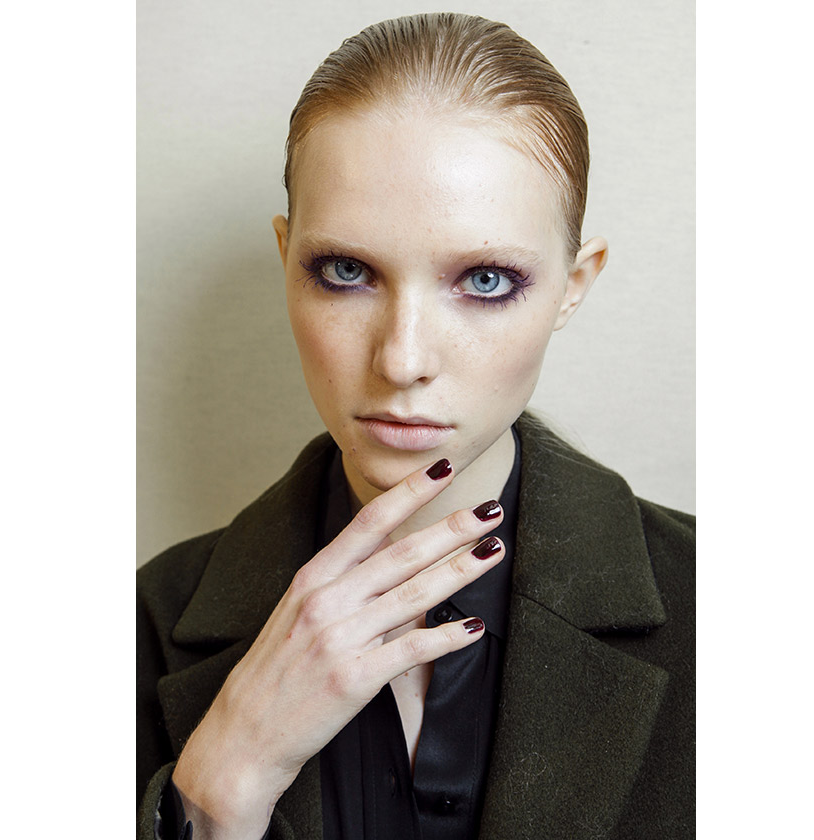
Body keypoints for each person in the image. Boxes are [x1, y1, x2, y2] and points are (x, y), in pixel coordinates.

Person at [137, 13, 694, 840]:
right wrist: (220, 789)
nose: (401, 360)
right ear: (287, 262)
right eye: (346, 271)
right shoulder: (142, 625)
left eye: (486, 280)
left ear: (573, 287)